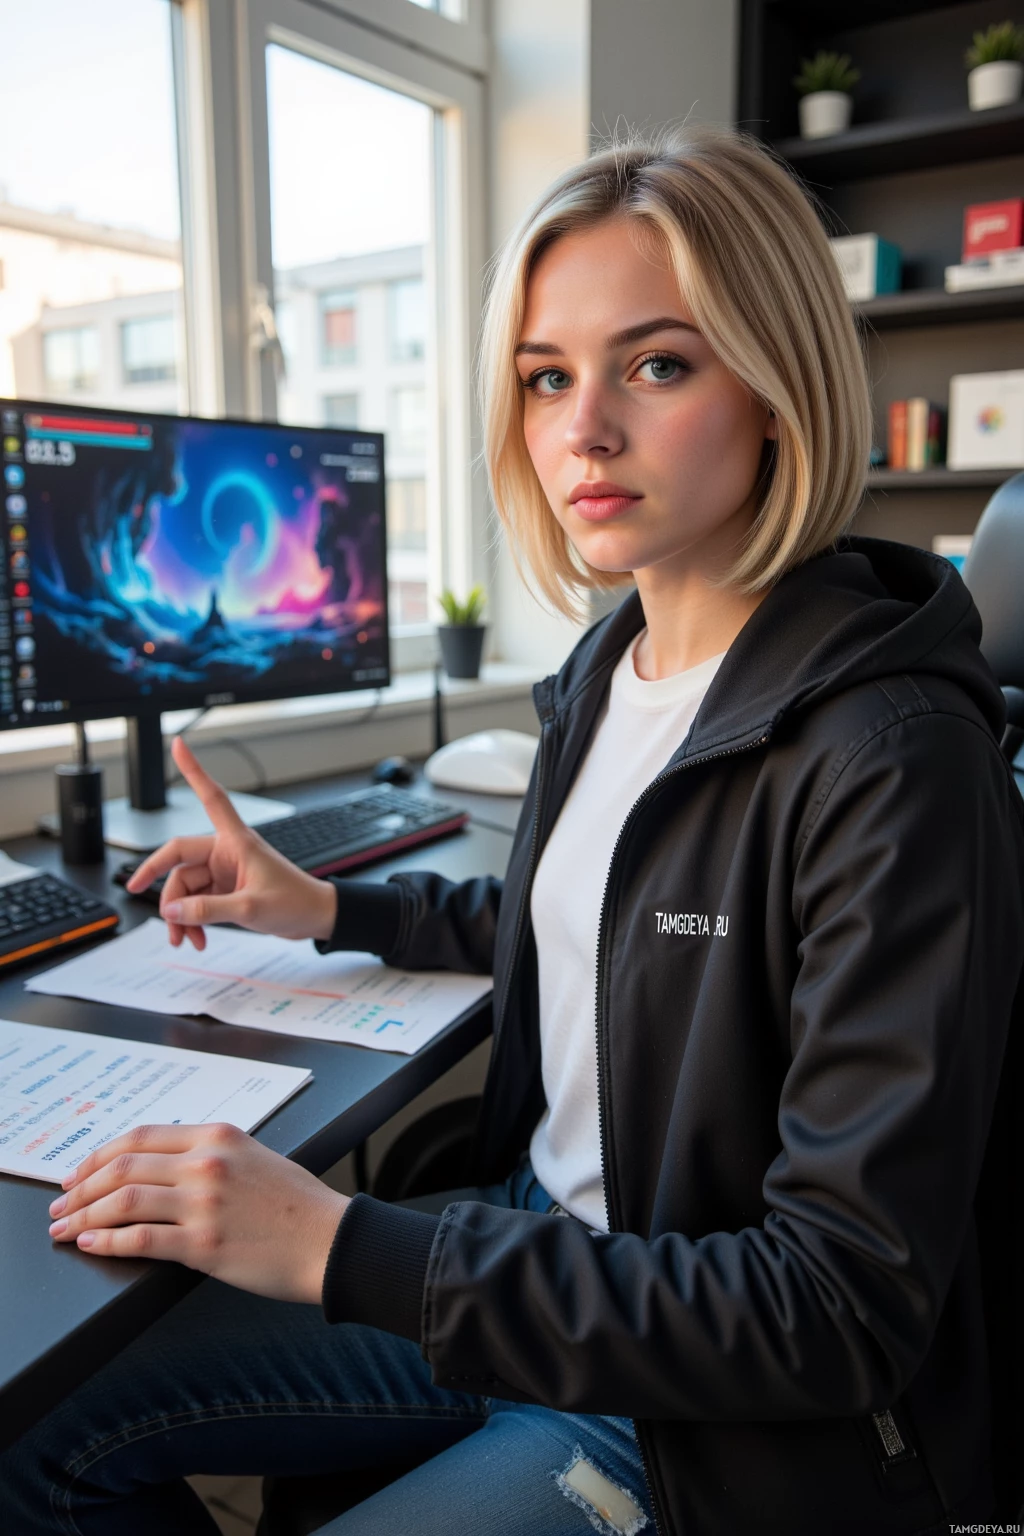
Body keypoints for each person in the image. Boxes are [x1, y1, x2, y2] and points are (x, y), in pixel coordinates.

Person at [3, 127, 1022, 1536]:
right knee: (29, 1432)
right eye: (547, 377)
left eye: (657, 364)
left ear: (780, 389)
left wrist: (342, 1242)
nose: (581, 429)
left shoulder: (893, 756)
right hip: (530, 1252)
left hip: (700, 1409)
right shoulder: (610, 670)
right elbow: (605, 921)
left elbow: (836, 1308)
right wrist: (329, 908)